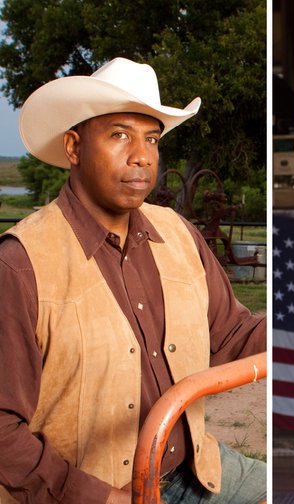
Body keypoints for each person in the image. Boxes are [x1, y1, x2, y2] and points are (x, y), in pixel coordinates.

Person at [0, 58, 266, 503]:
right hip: (95, 494)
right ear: (73, 147)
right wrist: (100, 499)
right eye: (120, 135)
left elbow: (233, 334)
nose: (142, 155)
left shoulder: (178, 234)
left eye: (152, 138)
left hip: (195, 470)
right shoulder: (21, 265)